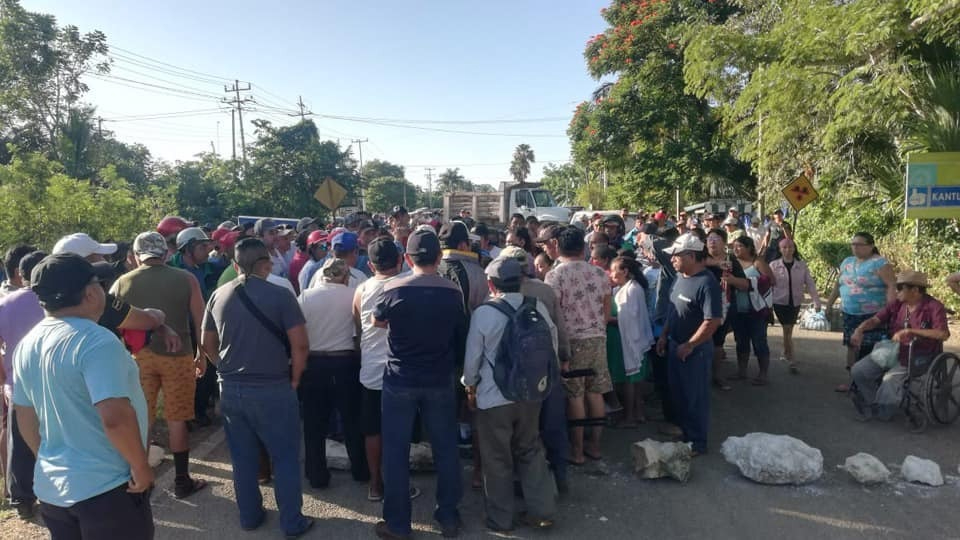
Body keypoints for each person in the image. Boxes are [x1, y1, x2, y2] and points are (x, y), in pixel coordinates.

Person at [13, 254, 154, 539]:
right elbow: (115, 417)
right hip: (106, 489)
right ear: (90, 293)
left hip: (54, 489)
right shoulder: (97, 340)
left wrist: (53, 462)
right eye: (99, 283)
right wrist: (141, 467)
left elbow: (25, 417)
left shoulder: (27, 344)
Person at [201, 238, 314, 538]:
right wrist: (295, 377)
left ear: (235, 265)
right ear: (266, 263)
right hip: (273, 387)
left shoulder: (218, 295)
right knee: (286, 456)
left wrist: (223, 369)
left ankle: (249, 516)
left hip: (231, 388)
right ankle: (292, 521)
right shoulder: (280, 296)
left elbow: (207, 344)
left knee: (242, 458)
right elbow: (300, 345)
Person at [373, 229, 466, 539]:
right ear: (439, 257)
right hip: (439, 378)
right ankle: (449, 516)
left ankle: (398, 524)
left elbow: (377, 321)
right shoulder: (453, 292)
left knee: (395, 452)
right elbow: (458, 331)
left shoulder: (392, 288)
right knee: (446, 449)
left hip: (399, 378)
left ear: (408, 258)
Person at [462, 257, 557, 532]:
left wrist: (470, 386)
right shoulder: (537, 307)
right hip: (531, 394)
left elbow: (472, 361)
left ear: (491, 284)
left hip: (494, 398)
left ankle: (500, 520)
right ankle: (543, 512)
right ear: (522, 281)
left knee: (497, 458)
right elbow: (551, 345)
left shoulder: (484, 313)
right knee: (530, 449)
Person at [112, 232, 207, 499]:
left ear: (135, 256)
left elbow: (112, 324)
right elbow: (201, 319)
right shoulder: (186, 279)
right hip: (179, 356)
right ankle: (181, 480)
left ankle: (142, 479)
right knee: (177, 419)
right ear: (166, 253)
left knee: (144, 418)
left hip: (139, 357)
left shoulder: (121, 282)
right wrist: (202, 355)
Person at [498, 246, 570, 493]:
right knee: (553, 426)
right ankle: (560, 477)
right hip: (548, 368)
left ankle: (524, 485)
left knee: (523, 433)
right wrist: (565, 356)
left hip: (517, 375)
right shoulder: (545, 291)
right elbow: (559, 328)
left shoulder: (499, 297)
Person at [298, 258, 369, 488]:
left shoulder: (306, 297)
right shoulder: (353, 296)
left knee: (314, 424)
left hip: (314, 363)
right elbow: (360, 333)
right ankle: (360, 470)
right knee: (352, 420)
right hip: (345, 362)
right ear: (346, 277)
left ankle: (316, 474)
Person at [545, 227, 612, 465]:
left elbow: (555, 314)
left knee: (574, 396)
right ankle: (595, 446)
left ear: (558, 247)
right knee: (595, 393)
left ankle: (577, 450)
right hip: (597, 338)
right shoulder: (600, 274)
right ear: (583, 248)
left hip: (570, 341)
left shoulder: (554, 276)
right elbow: (606, 311)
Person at [353, 238, 413, 502]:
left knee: (373, 430)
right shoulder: (407, 287)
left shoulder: (362, 289)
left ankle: (375, 484)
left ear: (370, 264)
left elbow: (358, 328)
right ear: (399, 261)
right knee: (399, 432)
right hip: (401, 372)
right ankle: (400, 486)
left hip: (370, 371)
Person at [655, 233, 723, 455]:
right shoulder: (679, 277)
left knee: (695, 398)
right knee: (679, 395)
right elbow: (672, 312)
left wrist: (691, 345)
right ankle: (684, 433)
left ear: (691, 256)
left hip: (695, 351)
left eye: (676, 255)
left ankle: (697, 442)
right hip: (675, 345)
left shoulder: (707, 283)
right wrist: (665, 335)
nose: (672, 259)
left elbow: (712, 321)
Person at [849, 271, 949, 421]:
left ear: (915, 290)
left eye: (901, 288)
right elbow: (876, 319)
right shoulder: (897, 304)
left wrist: (910, 331)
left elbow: (943, 334)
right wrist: (859, 329)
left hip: (919, 355)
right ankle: (874, 402)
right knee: (859, 370)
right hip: (894, 350)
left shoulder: (934, 307)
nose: (897, 291)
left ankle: (884, 409)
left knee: (890, 380)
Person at [0, 250, 45, 519]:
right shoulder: (57, 301)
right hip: (56, 382)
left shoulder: (6, 304)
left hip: (19, 383)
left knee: (20, 442)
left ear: (21, 274)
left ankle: (22, 499)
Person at [825, 232, 897, 392]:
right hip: (850, 312)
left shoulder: (880, 263)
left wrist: (892, 310)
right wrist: (829, 304)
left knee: (870, 348)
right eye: (853, 244)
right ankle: (853, 382)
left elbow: (891, 285)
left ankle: (870, 383)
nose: (855, 247)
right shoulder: (847, 262)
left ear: (871, 246)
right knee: (852, 345)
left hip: (873, 315)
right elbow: (838, 285)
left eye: (860, 244)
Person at [609, 256, 653, 427]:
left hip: (630, 342)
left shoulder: (631, 290)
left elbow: (627, 319)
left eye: (614, 270)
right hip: (630, 341)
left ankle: (630, 417)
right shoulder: (627, 288)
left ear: (625, 271)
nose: (611, 274)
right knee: (635, 380)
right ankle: (638, 413)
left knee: (630, 381)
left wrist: (607, 319)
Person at [770, 238, 822, 373]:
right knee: (786, 328)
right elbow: (768, 285)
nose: (788, 250)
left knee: (789, 329)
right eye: (784, 247)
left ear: (794, 249)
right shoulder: (773, 265)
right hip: (779, 302)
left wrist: (816, 300)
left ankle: (786, 351)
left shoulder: (801, 265)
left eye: (790, 247)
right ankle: (791, 358)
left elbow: (810, 284)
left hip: (796, 301)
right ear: (780, 250)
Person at [726, 236, 773, 385]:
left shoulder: (758, 262)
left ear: (749, 247)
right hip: (738, 309)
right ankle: (741, 371)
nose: (736, 249)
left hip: (757, 310)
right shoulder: (732, 262)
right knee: (741, 341)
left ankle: (763, 374)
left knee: (759, 342)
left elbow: (772, 281)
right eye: (734, 246)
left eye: (739, 246)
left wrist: (750, 284)